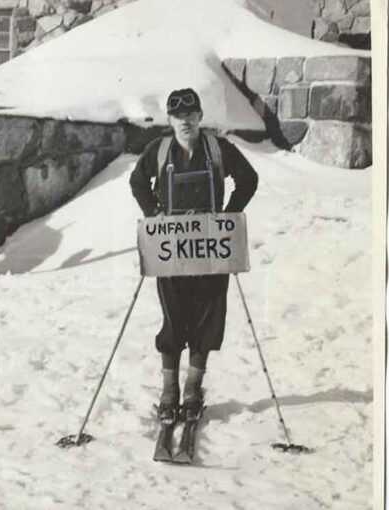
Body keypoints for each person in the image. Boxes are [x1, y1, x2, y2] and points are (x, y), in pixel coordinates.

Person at [129, 88, 259, 421]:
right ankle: (169, 389)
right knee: (174, 318)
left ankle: (192, 387)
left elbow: (248, 179)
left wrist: (229, 216)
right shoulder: (158, 152)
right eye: (177, 116)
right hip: (171, 252)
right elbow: (138, 182)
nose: (184, 121)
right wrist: (153, 213)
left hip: (210, 252)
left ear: (200, 117)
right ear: (169, 120)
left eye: (190, 115)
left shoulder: (218, 149)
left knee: (207, 318)